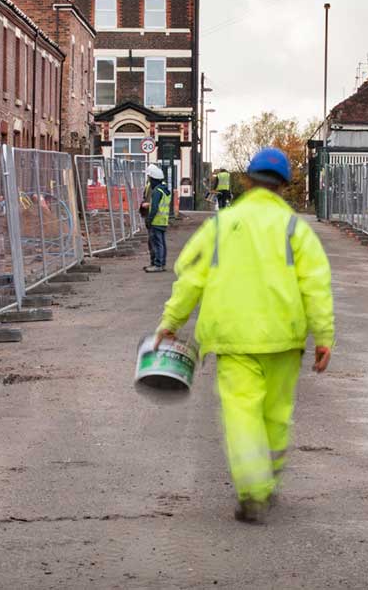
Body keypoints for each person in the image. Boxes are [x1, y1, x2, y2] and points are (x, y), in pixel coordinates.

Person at [154, 147, 334, 523]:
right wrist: (323, 337)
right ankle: (267, 481)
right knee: (276, 416)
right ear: (284, 187)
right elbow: (316, 285)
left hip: (232, 338)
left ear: (247, 181)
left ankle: (253, 488)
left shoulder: (220, 225)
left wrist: (170, 323)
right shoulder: (295, 228)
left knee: (241, 413)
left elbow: (191, 277)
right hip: (284, 340)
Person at [140, 163, 173, 272]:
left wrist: (149, 220)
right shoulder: (164, 190)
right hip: (163, 221)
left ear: (153, 178)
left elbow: (154, 208)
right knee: (161, 243)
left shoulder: (156, 191)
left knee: (156, 243)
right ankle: (161, 263)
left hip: (156, 221)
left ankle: (157, 264)